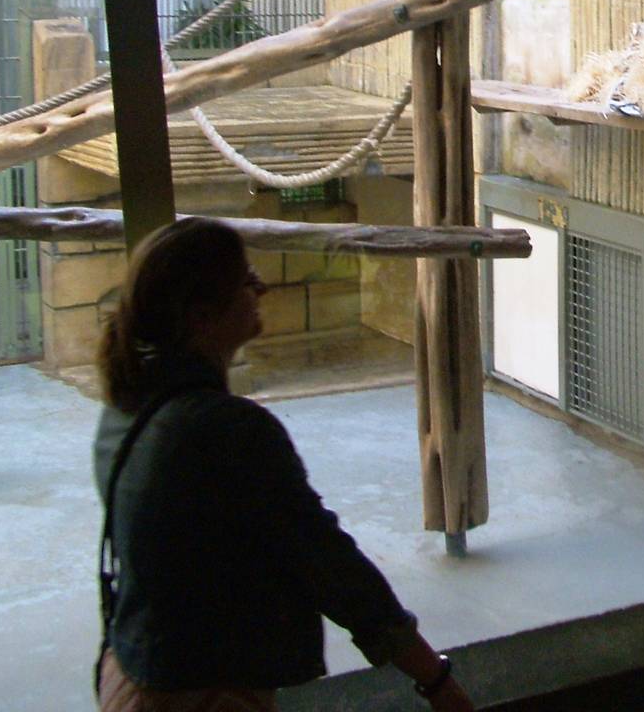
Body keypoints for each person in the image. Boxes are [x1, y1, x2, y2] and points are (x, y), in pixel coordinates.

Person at [92, 217, 474, 711]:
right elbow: (325, 561)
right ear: (201, 316)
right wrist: (434, 679)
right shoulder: (227, 429)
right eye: (246, 282)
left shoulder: (129, 407)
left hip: (136, 672)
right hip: (200, 691)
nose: (261, 288)